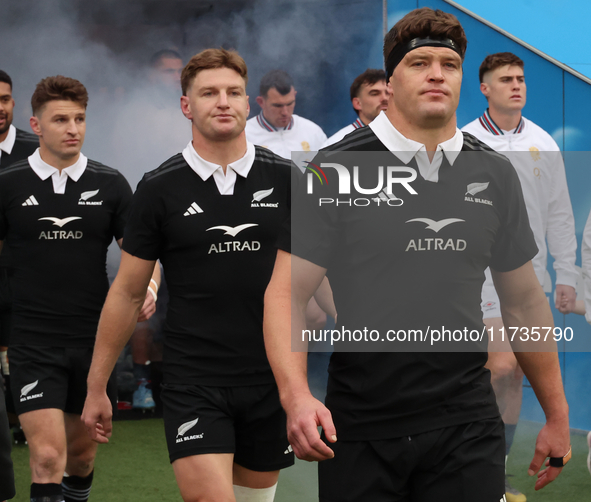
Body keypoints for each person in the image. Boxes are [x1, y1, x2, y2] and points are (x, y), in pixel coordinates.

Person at [263, 8, 571, 501]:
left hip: (466, 421)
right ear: (391, 79)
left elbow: (523, 302)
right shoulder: (333, 170)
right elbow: (286, 292)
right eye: (419, 62)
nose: (436, 73)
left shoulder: (494, 174)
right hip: (361, 423)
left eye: (449, 64)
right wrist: (296, 395)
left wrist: (557, 414)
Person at [82, 48, 294, 502]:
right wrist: (97, 384)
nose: (223, 102)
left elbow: (323, 275)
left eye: (234, 92)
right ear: (186, 105)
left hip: (272, 376)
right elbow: (126, 293)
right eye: (209, 93)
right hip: (194, 379)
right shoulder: (159, 187)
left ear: (247, 102)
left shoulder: (287, 177)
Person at [0, 75, 157, 502]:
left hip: (95, 342)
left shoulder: (111, 184)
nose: (73, 128)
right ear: (36, 124)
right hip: (32, 342)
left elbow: (144, 255)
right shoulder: (8, 184)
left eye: (80, 118)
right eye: (61, 119)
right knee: (48, 457)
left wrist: (152, 287)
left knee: (81, 458)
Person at [462, 52, 577, 502]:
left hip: (531, 278)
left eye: (521, 79)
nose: (517, 86)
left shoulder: (543, 142)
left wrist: (566, 272)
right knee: (502, 364)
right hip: (479, 277)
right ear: (484, 88)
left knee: (512, 377)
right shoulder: (463, 140)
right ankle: (477, 464)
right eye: (505, 79)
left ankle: (496, 476)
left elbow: (559, 214)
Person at [0, 69, 39, 448]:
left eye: (4, 99)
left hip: (27, 277)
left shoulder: (36, 149)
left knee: (20, 358)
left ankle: (24, 423)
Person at [245, 69, 327, 158]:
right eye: (277, 106)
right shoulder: (245, 136)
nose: (285, 112)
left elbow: (331, 170)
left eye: (289, 104)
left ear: (295, 96)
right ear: (261, 102)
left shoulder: (313, 132)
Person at [322, 68, 390, 147]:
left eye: (388, 93)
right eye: (374, 94)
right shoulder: (337, 144)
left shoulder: (404, 138)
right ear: (357, 103)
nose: (384, 98)